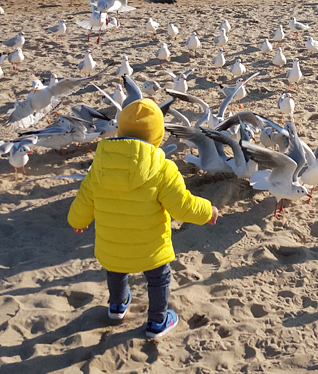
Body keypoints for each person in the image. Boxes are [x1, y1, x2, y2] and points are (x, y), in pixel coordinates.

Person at [68, 98, 219, 339]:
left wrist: (78, 221)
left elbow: (86, 196)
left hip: (112, 245)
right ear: (157, 135)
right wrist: (208, 210)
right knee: (159, 278)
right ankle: (158, 321)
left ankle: (117, 306)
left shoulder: (101, 163)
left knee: (116, 270)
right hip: (150, 248)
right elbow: (182, 207)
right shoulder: (162, 168)